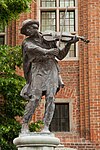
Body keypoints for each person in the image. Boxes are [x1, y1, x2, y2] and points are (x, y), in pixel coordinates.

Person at [20, 19, 78, 133]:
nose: (26, 32)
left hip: (51, 68)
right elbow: (35, 49)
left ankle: (46, 126)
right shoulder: (27, 42)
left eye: (28, 29)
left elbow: (60, 55)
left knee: (51, 97)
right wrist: (50, 51)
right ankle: (25, 124)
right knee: (35, 98)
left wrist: (69, 44)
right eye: (25, 30)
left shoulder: (49, 37)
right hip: (37, 69)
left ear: (35, 28)